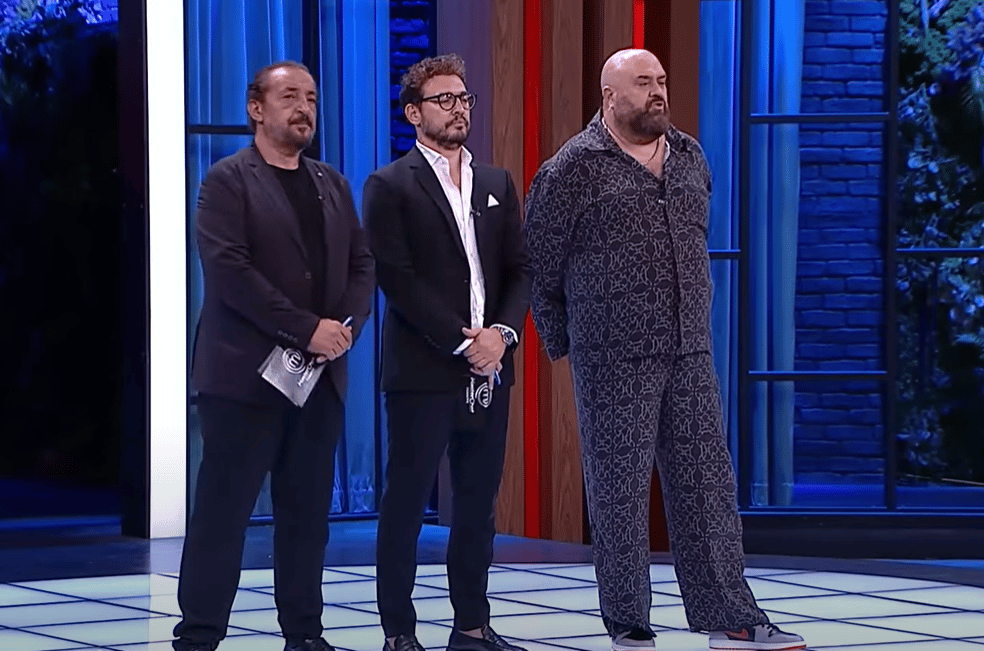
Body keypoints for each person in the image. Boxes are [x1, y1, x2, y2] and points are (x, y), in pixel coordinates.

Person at [522, 49, 808, 651]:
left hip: (690, 350)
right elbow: (538, 264)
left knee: (707, 486)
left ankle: (731, 616)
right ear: (609, 96)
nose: (658, 91)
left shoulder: (689, 156)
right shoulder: (571, 169)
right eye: (643, 83)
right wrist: (568, 342)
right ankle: (629, 624)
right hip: (613, 356)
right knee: (619, 493)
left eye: (661, 81)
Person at [173, 60, 375, 651]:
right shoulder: (226, 181)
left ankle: (305, 636)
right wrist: (305, 329)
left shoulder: (332, 184)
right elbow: (230, 272)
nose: (304, 107)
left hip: (319, 381)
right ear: (256, 108)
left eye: (310, 96)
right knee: (223, 516)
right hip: (243, 381)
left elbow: (362, 265)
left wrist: (342, 329)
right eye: (289, 96)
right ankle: (199, 637)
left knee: (307, 519)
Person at [363, 54, 531, 651]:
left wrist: (501, 336)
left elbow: (521, 270)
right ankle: (399, 633)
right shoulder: (389, 185)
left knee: (478, 506)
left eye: (464, 98)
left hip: (491, 369)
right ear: (414, 113)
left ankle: (472, 627)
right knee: (407, 504)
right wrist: (465, 340)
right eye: (444, 100)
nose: (459, 109)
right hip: (424, 371)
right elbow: (398, 279)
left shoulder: (497, 183)